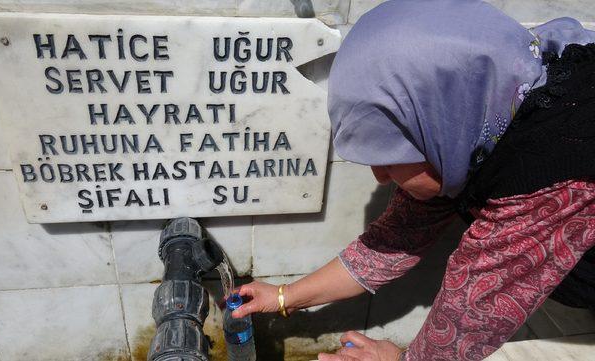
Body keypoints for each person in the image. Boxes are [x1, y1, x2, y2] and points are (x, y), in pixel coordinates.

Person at [231, 1, 595, 360]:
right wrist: (283, 296)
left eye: (390, 158)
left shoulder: (551, 160)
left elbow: (472, 311)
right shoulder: (476, 116)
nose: (379, 176)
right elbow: (393, 240)